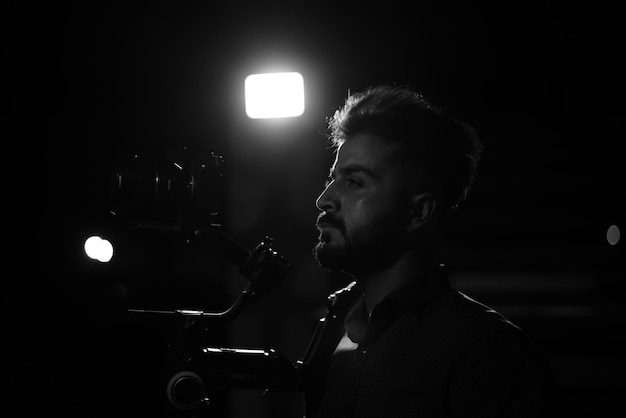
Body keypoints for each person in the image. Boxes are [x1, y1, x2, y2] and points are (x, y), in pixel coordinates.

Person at [303, 84, 551, 417]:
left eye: (354, 181)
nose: (324, 200)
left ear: (418, 212)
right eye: (332, 178)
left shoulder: (486, 352)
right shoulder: (335, 326)